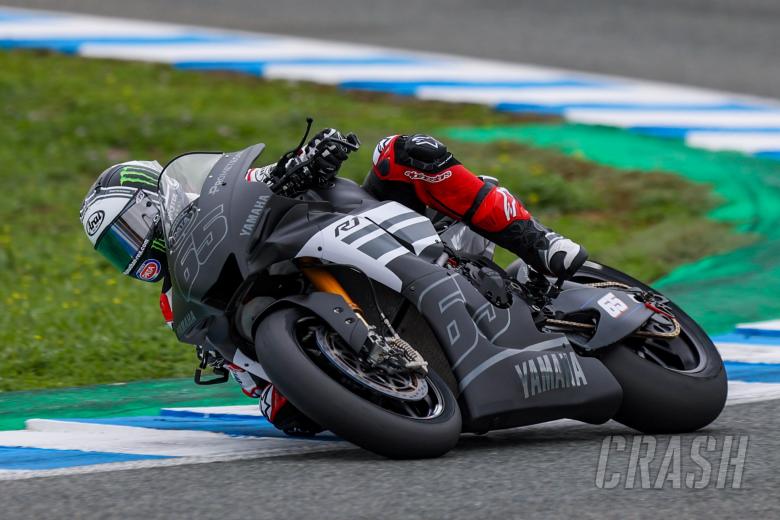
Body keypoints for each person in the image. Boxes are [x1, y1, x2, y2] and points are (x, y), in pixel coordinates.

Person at [79, 129, 587, 435]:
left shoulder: (224, 198)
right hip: (320, 300)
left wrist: (313, 157)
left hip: (380, 231)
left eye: (128, 235)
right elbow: (235, 360)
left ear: (156, 204)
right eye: (116, 252)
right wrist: (276, 394)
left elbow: (275, 177)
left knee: (402, 151)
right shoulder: (179, 303)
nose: (134, 255)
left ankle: (539, 241)